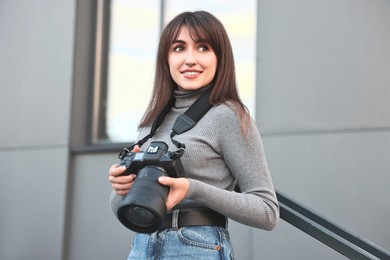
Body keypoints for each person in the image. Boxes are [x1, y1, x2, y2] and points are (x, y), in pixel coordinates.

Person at [108, 10, 279, 259]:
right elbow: (122, 210)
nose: (190, 59)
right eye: (179, 48)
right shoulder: (151, 123)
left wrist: (193, 189)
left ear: (220, 58)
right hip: (142, 246)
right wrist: (121, 189)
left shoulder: (227, 115)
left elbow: (266, 211)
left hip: (197, 246)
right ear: (166, 58)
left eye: (202, 48)